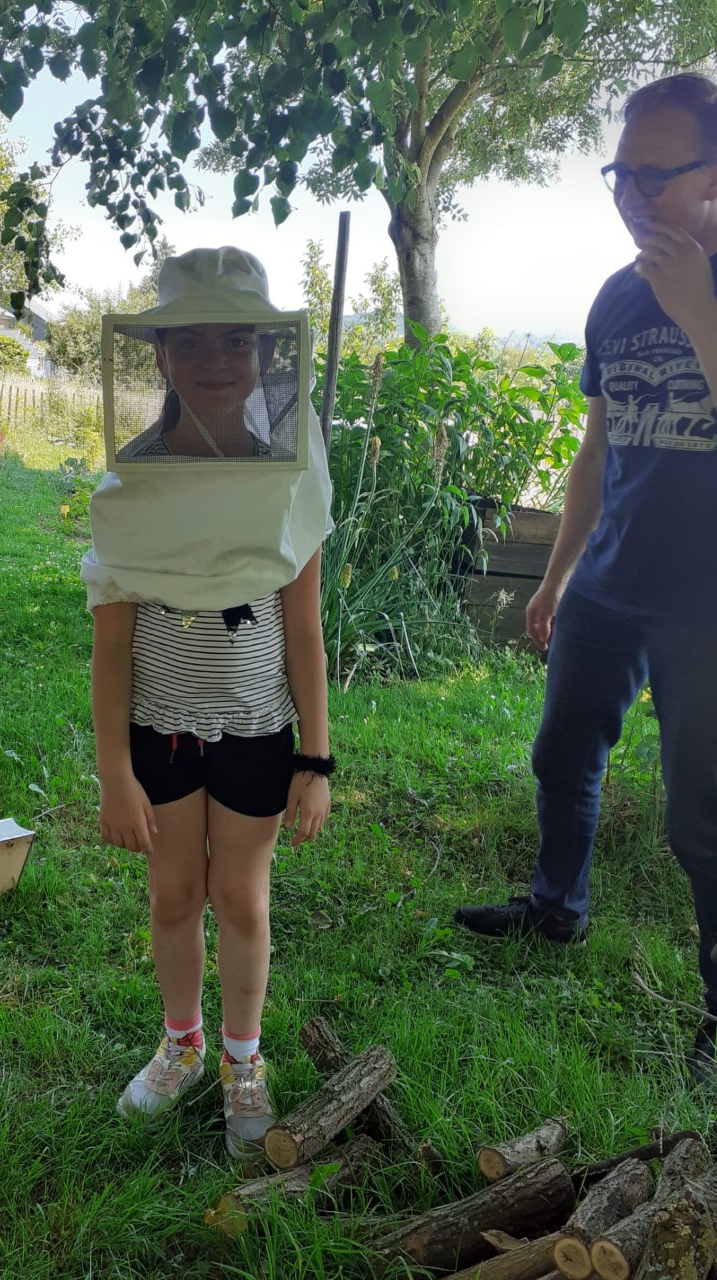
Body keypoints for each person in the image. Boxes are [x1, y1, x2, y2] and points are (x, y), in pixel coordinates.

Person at [454, 73, 717, 1085]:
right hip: (609, 580)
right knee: (561, 756)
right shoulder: (613, 296)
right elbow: (594, 451)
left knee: (700, 817)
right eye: (620, 175)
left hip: (704, 603)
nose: (632, 196)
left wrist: (696, 308)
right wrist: (556, 574)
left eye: (658, 174)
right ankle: (553, 908)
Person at [82, 247, 335, 1158]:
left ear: (266, 352)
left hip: (257, 731)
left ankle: (241, 1057)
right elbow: (112, 650)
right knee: (174, 894)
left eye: (236, 340)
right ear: (159, 357)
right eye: (190, 342)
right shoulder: (132, 487)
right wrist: (114, 773)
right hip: (160, 733)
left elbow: (302, 630)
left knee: (240, 897)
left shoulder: (290, 477)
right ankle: (182, 1044)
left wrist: (315, 759)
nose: (215, 361)